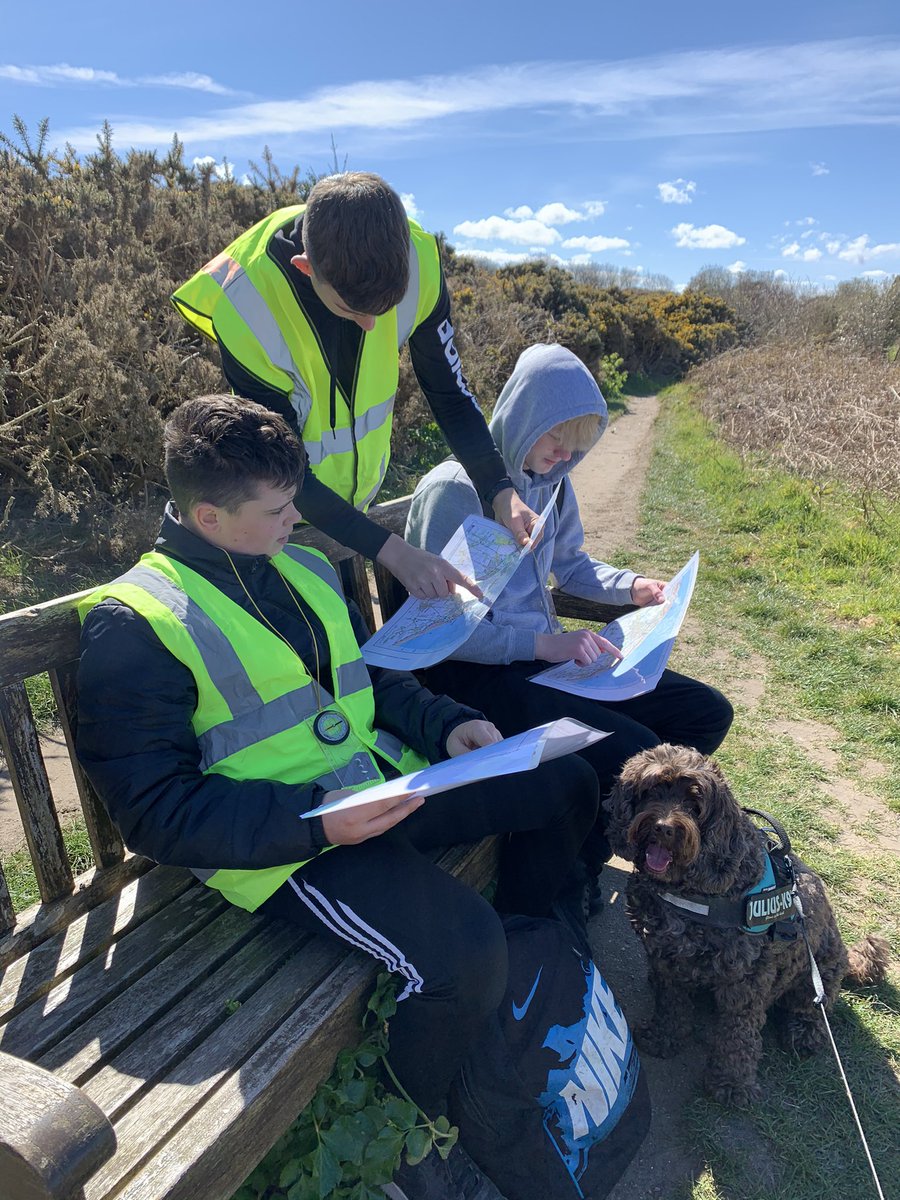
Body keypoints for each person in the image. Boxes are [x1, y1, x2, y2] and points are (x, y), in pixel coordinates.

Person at [76, 394, 599, 1200]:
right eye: (281, 508)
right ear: (208, 516)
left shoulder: (304, 567)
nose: (299, 520)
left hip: (381, 786)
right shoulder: (135, 624)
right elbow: (155, 814)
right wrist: (318, 827)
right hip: (281, 851)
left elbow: (375, 678)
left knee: (562, 778)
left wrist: (448, 722)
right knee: (462, 954)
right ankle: (404, 1132)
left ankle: (540, 959)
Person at [405, 343, 734, 876]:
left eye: (577, 447)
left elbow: (572, 565)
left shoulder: (552, 485)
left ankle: (608, 840)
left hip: (546, 664)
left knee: (705, 711)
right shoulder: (454, 492)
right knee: (638, 750)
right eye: (556, 437)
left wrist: (632, 588)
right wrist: (544, 644)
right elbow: (444, 632)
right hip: (472, 674)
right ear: (521, 414)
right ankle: (585, 862)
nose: (564, 456)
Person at [172, 171, 537, 601]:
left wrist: (500, 489)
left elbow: (450, 396)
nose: (371, 326)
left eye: (387, 308)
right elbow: (284, 472)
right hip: (282, 522)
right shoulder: (246, 302)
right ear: (306, 268)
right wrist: (396, 554)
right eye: (353, 309)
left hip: (357, 509)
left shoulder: (419, 258)